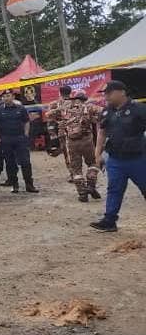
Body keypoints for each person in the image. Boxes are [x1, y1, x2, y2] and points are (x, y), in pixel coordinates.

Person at [91, 80, 146, 232]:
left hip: (138, 158)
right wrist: (98, 154)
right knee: (114, 189)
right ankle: (109, 220)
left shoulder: (139, 109)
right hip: (115, 159)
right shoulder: (106, 111)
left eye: (109, 93)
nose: (106, 96)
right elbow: (101, 133)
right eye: (105, 93)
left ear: (121, 92)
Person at [0, 89, 39, 194]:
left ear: (13, 97)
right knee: (10, 163)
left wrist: (26, 133)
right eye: (4, 96)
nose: (6, 98)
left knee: (25, 162)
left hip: (20, 138)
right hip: (6, 139)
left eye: (8, 96)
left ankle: (29, 185)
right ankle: (14, 184)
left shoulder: (20, 108)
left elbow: (26, 121)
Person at [59, 91, 102, 202]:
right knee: (92, 163)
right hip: (87, 140)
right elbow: (103, 113)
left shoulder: (64, 108)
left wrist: (63, 123)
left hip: (72, 142)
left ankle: (82, 194)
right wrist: (93, 119)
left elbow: (48, 114)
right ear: (84, 99)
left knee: (76, 169)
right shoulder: (89, 106)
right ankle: (91, 186)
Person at [45, 85, 75, 181]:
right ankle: (78, 173)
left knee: (67, 153)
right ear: (70, 92)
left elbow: (49, 119)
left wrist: (52, 135)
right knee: (76, 153)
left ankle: (73, 174)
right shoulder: (76, 103)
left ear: (59, 93)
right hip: (77, 131)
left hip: (63, 132)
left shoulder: (54, 104)